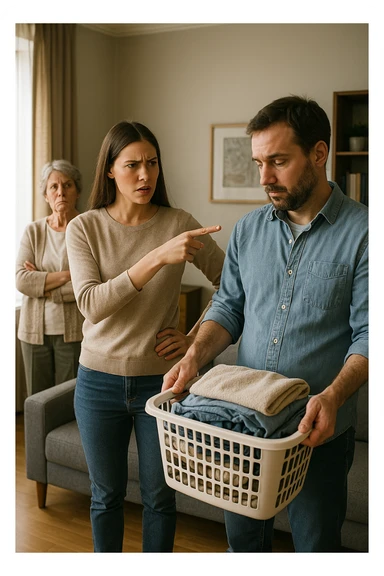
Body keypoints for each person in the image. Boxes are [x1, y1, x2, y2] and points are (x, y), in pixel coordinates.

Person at [163, 95, 368, 553]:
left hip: (317, 431)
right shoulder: (247, 230)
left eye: (278, 161)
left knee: (317, 550)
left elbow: (371, 333)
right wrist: (194, 356)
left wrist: (333, 396)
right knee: (244, 546)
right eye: (258, 163)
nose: (264, 178)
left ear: (319, 153)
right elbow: (229, 307)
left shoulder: (365, 234)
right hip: (246, 427)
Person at [65, 120, 225, 553]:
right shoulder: (84, 228)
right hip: (97, 384)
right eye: (132, 164)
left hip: (162, 384)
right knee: (105, 497)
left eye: (152, 163)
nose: (145, 175)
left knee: (160, 498)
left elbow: (232, 286)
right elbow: (92, 304)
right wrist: (156, 257)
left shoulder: (179, 222)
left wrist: (193, 338)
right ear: (111, 171)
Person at [16, 159, 84, 396]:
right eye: (53, 187)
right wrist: (68, 275)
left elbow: (90, 284)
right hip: (33, 333)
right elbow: (22, 280)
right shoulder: (33, 231)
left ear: (77, 191)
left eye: (67, 185)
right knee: (37, 400)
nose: (60, 192)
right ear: (45, 195)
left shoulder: (88, 229)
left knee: (68, 400)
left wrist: (44, 284)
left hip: (74, 332)